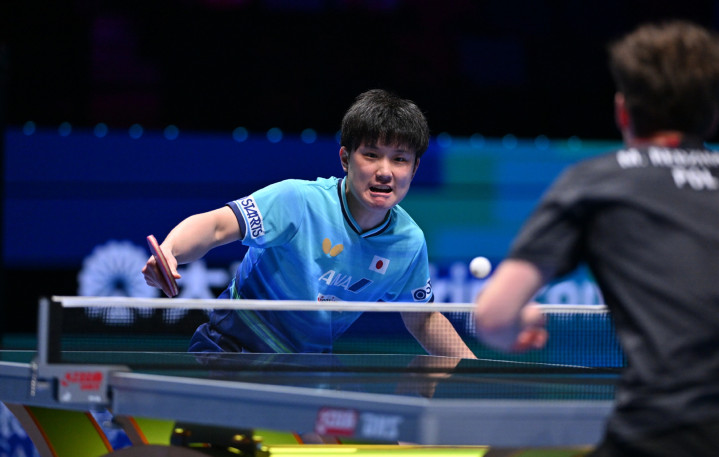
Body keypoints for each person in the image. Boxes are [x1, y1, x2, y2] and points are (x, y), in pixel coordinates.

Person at [473, 20, 719, 456]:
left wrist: (517, 326)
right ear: (711, 113)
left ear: (622, 110)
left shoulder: (595, 183)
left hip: (661, 434)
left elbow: (493, 317)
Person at [144, 88, 476, 359]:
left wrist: (477, 372)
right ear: (345, 158)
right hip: (231, 349)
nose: (385, 171)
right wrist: (171, 251)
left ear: (414, 169)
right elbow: (216, 226)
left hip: (306, 369)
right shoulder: (297, 201)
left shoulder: (408, 242)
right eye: (371, 155)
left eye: (399, 159)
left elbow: (423, 320)